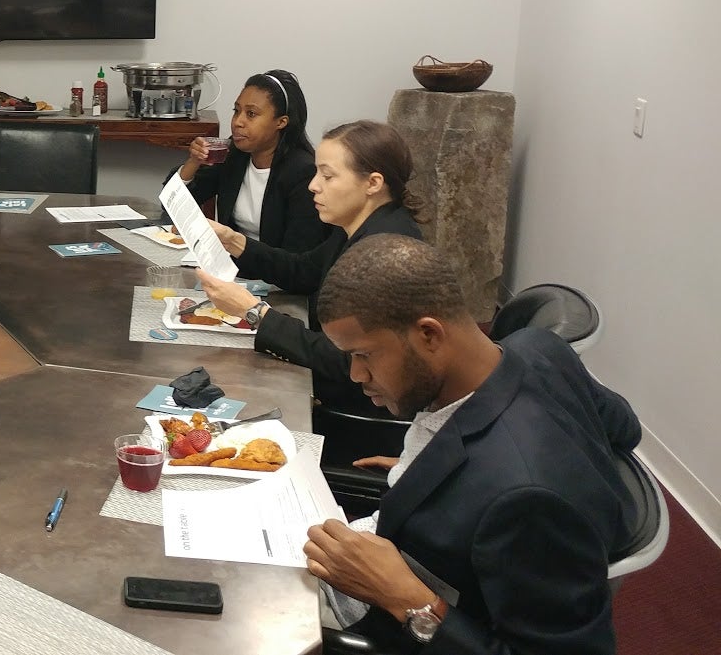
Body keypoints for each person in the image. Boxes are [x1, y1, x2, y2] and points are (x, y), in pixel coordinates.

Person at [303, 234, 639, 654]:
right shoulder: (539, 346)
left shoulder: (524, 499)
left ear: (429, 334)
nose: (356, 375)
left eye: (364, 355)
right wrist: (438, 472)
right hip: (390, 542)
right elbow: (625, 428)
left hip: (388, 619)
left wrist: (409, 602)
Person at [196, 119, 424, 417]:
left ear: (373, 183)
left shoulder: (385, 252)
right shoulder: (359, 226)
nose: (313, 185)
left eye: (327, 176)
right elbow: (304, 271)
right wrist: (236, 242)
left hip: (357, 410)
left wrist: (255, 314)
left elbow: (348, 362)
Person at [175, 69, 325, 253]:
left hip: (275, 276)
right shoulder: (234, 154)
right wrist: (193, 162)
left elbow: (298, 257)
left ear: (281, 122)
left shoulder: (303, 173)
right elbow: (175, 205)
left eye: (251, 114)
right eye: (236, 111)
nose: (238, 121)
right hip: (231, 266)